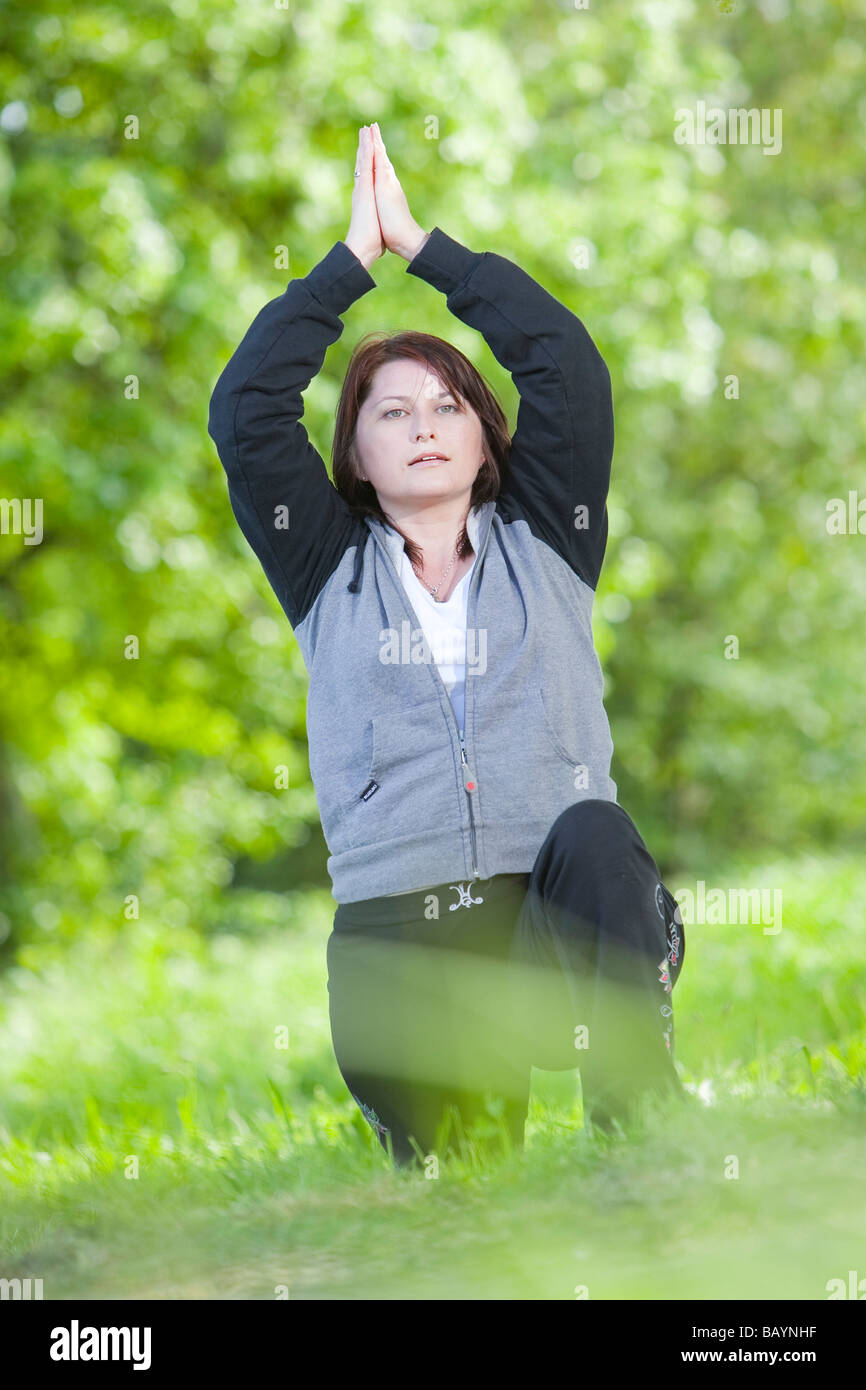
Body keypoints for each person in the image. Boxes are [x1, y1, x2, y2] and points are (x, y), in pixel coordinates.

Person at [208, 123, 686, 1168]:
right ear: (358, 455)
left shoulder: (547, 540)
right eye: (390, 412)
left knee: (598, 833)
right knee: (468, 1186)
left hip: (544, 929)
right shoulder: (323, 567)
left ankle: (640, 1123)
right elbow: (244, 411)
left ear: (481, 435)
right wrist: (348, 266)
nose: (422, 423)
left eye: (446, 404)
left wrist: (422, 249)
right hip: (405, 955)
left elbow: (561, 364)